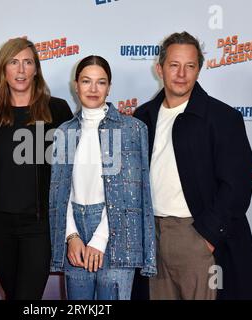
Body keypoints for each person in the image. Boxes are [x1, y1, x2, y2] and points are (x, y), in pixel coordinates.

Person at [132, 31, 252, 300]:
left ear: (199, 69)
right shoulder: (143, 116)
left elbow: (237, 185)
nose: (181, 73)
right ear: (159, 69)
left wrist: (207, 237)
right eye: (174, 65)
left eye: (190, 66)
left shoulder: (222, 117)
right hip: (152, 239)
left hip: (196, 236)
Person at [49, 55, 156, 300]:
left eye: (101, 82)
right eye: (86, 81)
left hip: (116, 233)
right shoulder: (64, 131)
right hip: (75, 227)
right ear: (76, 85)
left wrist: (100, 237)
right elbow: (60, 191)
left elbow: (131, 194)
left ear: (109, 87)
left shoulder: (132, 129)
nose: (93, 89)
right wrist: (72, 236)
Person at [0, 38, 73, 300]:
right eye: (13, 62)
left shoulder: (57, 110)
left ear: (36, 69)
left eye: (27, 62)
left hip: (39, 226)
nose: (20, 70)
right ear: (3, 69)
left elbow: (73, 164)